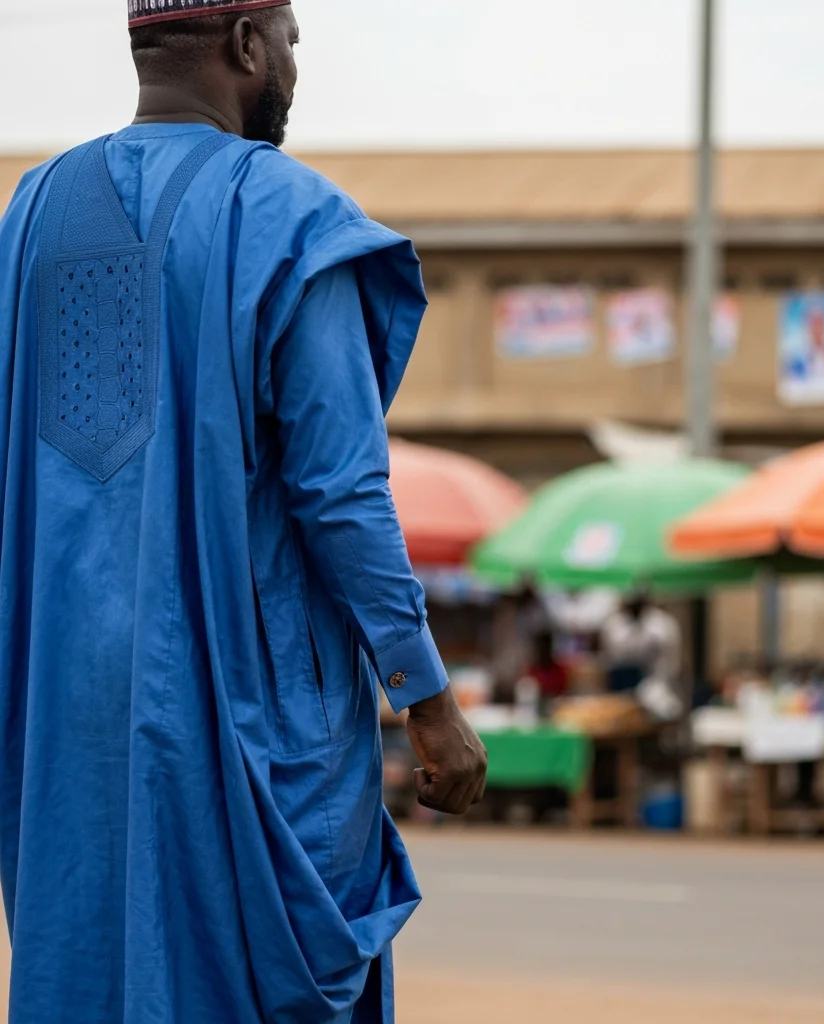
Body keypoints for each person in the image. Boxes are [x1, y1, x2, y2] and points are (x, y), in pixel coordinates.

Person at [0, 3, 487, 1022]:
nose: (295, 65)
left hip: (61, 716)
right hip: (236, 711)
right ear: (246, 45)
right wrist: (427, 698)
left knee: (92, 970)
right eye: (292, 40)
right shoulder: (290, 218)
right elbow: (341, 493)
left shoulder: (29, 218)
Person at [599, 591, 682, 694]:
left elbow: (672, 660)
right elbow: (609, 656)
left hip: (658, 684)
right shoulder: (613, 623)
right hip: (622, 683)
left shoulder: (663, 624)